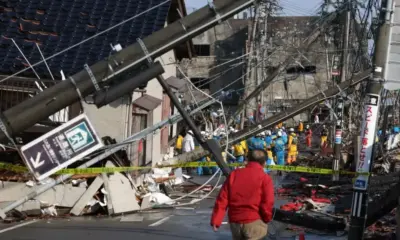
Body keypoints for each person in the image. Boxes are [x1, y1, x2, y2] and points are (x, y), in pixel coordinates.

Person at [211, 150, 274, 239]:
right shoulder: (265, 178)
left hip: (235, 223)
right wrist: (267, 218)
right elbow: (268, 202)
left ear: (247, 159)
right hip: (255, 221)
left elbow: (222, 199)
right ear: (264, 163)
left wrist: (216, 220)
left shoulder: (234, 175)